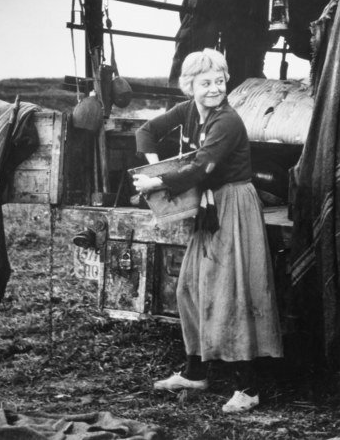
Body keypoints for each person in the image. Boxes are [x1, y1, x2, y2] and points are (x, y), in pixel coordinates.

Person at [132, 48, 283, 413]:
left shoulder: (226, 121)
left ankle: (247, 388)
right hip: (210, 206)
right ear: (190, 86)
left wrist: (156, 183)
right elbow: (146, 132)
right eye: (205, 83)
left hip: (232, 205)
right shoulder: (188, 112)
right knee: (191, 287)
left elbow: (202, 167)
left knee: (232, 292)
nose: (214, 89)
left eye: (219, 81)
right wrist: (156, 166)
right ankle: (196, 372)